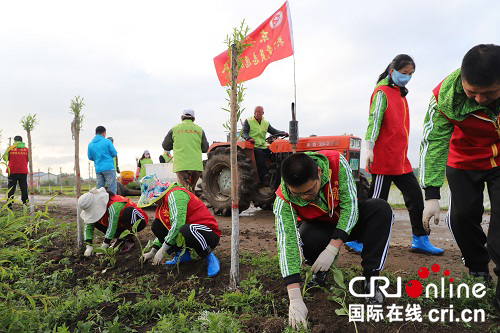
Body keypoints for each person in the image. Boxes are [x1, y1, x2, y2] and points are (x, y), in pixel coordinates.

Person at [273, 151, 394, 329]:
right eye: (299, 194)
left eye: (310, 191)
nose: (305, 197)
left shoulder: (336, 163)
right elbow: (286, 243)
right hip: (319, 227)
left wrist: (333, 247)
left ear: (320, 173)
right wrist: (295, 298)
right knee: (306, 236)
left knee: (380, 209)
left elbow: (350, 207)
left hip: (348, 222)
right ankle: (320, 272)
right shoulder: (284, 198)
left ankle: (371, 279)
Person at [419, 44, 500, 308]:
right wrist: (431, 193)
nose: (478, 100)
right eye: (471, 93)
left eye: (488, 94)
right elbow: (434, 142)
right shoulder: (445, 96)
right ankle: (477, 268)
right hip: (463, 159)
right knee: (463, 217)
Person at [346, 55, 443, 256]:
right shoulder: (382, 92)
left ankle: (420, 239)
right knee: (376, 203)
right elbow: (374, 120)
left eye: (411, 74)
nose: (407, 77)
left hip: (400, 160)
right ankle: (359, 240)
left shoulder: (400, 94)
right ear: (393, 71)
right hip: (383, 159)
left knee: (416, 197)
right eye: (404, 73)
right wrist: (370, 148)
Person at [138, 175, 221, 277]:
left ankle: (209, 256)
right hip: (190, 233)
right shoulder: (162, 205)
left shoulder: (175, 194)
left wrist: (163, 249)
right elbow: (166, 227)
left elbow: (177, 224)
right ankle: (183, 255)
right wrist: (153, 251)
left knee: (185, 229)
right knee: (157, 225)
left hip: (207, 233)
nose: (153, 202)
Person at [78, 187, 148, 255]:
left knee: (128, 212)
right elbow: (89, 225)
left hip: (138, 220)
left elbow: (112, 225)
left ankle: (129, 240)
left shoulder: (113, 205)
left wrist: (104, 246)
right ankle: (120, 239)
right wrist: (89, 246)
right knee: (93, 220)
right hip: (121, 224)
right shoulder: (98, 209)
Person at [162, 109, 209, 193]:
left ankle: (186, 205)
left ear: (182, 117)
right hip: (196, 166)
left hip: (181, 166)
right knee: (191, 189)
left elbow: (165, 146)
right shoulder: (199, 130)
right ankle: (193, 205)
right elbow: (205, 148)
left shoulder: (174, 129)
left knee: (184, 190)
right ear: (193, 119)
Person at [241, 106, 288, 183]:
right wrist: (248, 138)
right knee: (259, 154)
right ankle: (264, 176)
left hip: (263, 145)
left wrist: (283, 133)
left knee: (272, 154)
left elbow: (274, 131)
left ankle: (275, 173)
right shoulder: (248, 121)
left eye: (259, 112)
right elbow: (244, 133)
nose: (257, 113)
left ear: (263, 113)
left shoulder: (265, 123)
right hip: (253, 145)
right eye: (255, 112)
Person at [88, 126, 118, 194]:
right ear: (104, 133)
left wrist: (98, 158)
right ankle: (112, 203)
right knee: (112, 189)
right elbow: (114, 153)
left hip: (98, 168)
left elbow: (90, 157)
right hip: (108, 167)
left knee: (100, 190)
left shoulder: (90, 144)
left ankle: (100, 204)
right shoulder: (107, 142)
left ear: (95, 133)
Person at [3, 135, 29, 208]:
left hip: (12, 171)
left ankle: (9, 204)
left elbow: (5, 159)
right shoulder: (27, 150)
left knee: (11, 188)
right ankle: (25, 203)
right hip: (23, 171)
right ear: (22, 141)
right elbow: (29, 159)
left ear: (14, 141)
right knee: (23, 188)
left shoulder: (9, 149)